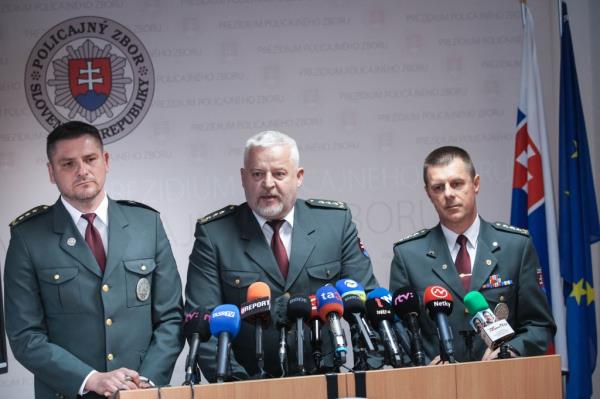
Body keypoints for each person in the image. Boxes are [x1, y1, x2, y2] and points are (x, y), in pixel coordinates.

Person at [4, 121, 184, 398]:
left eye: (89, 159)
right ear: (52, 172)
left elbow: (171, 318)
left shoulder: (147, 224)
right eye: (68, 164)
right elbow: (25, 336)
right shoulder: (28, 237)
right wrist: (90, 379)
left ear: (106, 161)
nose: (82, 171)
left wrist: (145, 382)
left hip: (142, 393)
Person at [185, 130, 378, 381]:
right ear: (243, 178)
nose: (267, 183)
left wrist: (370, 373)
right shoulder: (215, 235)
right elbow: (204, 329)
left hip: (326, 380)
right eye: (257, 174)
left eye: (279, 174)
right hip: (248, 388)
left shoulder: (335, 223)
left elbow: (368, 306)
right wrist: (241, 391)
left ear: (298, 177)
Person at [389, 146, 555, 363]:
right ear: (429, 193)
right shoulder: (408, 255)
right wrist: (422, 367)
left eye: (457, 184)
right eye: (438, 187)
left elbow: (539, 324)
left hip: (505, 383)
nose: (448, 194)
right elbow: (398, 333)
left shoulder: (515, 246)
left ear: (475, 184)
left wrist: (511, 351)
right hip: (437, 389)